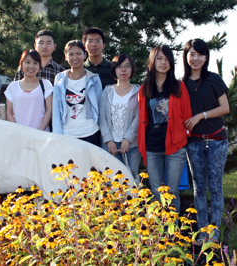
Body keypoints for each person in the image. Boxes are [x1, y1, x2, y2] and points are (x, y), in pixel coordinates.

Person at [182, 39, 229, 244]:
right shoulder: (181, 84)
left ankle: (215, 234)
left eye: (200, 54)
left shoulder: (214, 79)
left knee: (216, 187)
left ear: (206, 57)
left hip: (217, 140)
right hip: (194, 143)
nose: (196, 58)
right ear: (185, 56)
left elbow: (225, 108)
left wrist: (200, 115)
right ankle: (203, 234)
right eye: (191, 54)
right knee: (199, 188)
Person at [137, 45, 192, 213]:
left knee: (172, 191)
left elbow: (187, 115)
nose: (164, 62)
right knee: (155, 190)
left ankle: (172, 233)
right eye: (160, 58)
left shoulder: (178, 86)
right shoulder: (144, 88)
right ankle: (157, 233)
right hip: (152, 146)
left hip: (175, 146)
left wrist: (182, 139)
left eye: (167, 59)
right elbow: (142, 118)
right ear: (152, 62)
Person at [99, 54, 141, 183]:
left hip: (132, 145)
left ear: (132, 69)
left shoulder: (138, 91)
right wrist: (108, 140)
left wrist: (128, 139)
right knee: (110, 182)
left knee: (130, 180)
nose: (123, 70)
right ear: (114, 70)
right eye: (119, 66)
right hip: (109, 145)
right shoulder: (107, 91)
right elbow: (102, 117)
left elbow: (139, 117)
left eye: (127, 66)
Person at [52, 40, 102, 146]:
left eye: (78, 53)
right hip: (67, 134)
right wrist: (57, 135)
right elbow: (56, 109)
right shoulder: (60, 78)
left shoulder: (94, 78)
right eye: (71, 54)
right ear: (66, 56)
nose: (75, 57)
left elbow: (99, 106)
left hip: (90, 132)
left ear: (85, 55)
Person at [5, 50, 53, 131]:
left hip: (41, 135)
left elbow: (49, 110)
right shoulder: (13, 86)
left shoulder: (46, 85)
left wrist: (40, 131)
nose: (31, 66)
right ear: (22, 64)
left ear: (39, 66)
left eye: (35, 63)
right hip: (19, 135)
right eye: (28, 62)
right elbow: (9, 112)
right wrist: (17, 130)